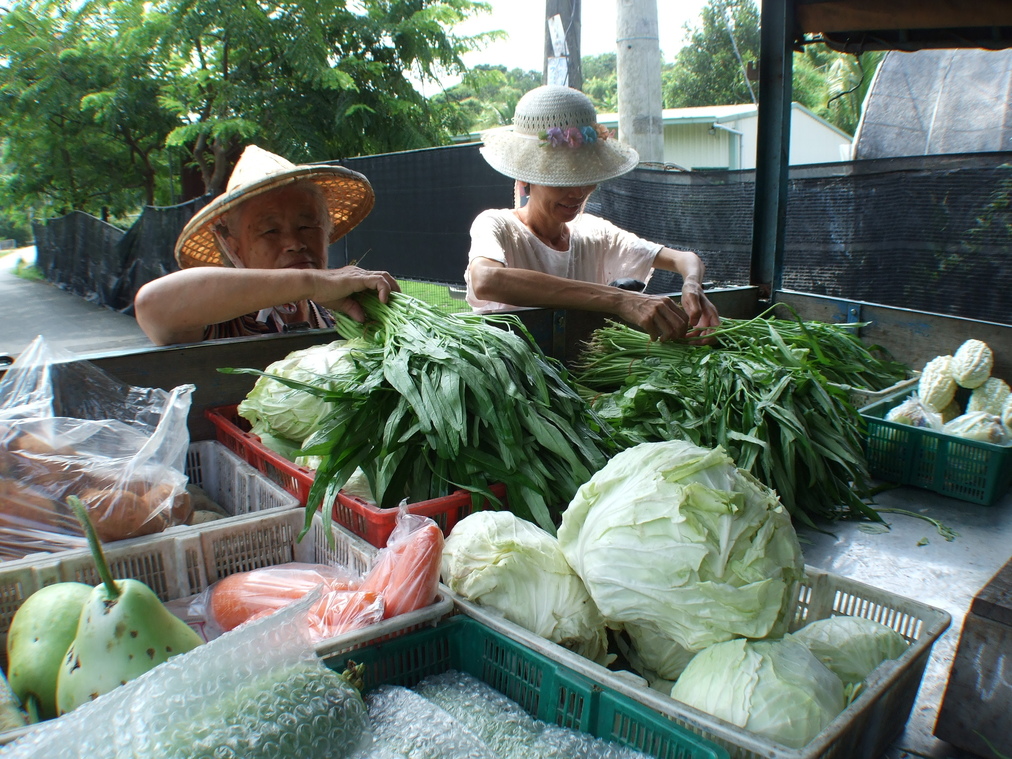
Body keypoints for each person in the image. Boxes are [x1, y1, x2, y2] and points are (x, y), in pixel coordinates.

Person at [465, 85, 720, 342]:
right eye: (562, 181)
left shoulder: (594, 234)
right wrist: (621, 300)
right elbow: (486, 279)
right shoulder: (497, 225)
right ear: (526, 178)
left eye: (586, 179)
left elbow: (684, 259)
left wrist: (692, 285)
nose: (578, 193)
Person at [134, 145, 399, 346]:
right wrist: (312, 282)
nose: (295, 244)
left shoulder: (339, 315)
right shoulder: (219, 319)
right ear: (233, 248)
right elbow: (152, 304)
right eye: (270, 231)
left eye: (307, 226)